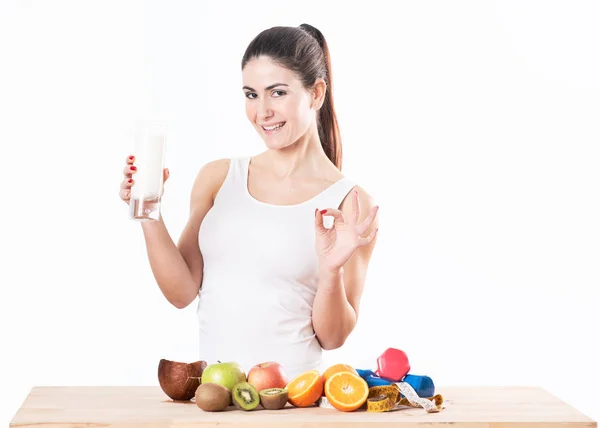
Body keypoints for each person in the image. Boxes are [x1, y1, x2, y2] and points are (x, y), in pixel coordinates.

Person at [119, 24, 379, 380]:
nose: (262, 112)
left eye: (277, 93)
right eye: (251, 95)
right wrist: (148, 211)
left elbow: (333, 338)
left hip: (293, 404)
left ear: (316, 93)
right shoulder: (218, 178)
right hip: (217, 398)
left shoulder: (351, 202)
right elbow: (181, 292)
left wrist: (330, 270)